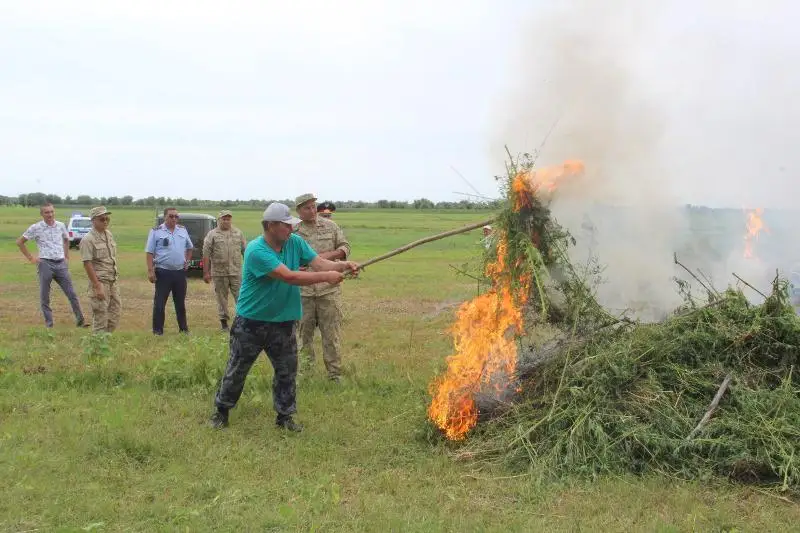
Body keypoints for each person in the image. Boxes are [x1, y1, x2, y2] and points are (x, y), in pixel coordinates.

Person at [209, 202, 359, 432]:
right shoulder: (256, 250)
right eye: (286, 226)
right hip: (252, 322)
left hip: (284, 322)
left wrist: (342, 265)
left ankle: (285, 418)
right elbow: (288, 276)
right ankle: (221, 411)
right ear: (270, 226)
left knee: (287, 371)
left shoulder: (295, 242)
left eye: (291, 225)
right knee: (237, 369)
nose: (291, 229)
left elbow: (318, 263)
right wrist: (326, 276)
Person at [294, 193, 352, 382]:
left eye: (313, 206)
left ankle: (334, 374)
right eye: (306, 208)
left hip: (329, 290)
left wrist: (323, 258)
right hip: (304, 292)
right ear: (299, 211)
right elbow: (283, 258)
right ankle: (306, 374)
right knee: (304, 336)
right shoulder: (293, 232)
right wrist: (296, 265)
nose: (311, 210)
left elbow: (345, 248)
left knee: (331, 334)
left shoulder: (331, 226)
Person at [16, 202, 88, 328]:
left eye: (51, 211)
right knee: (45, 296)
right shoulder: (36, 227)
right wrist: (31, 258)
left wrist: (66, 257)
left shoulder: (60, 226)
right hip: (45, 264)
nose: (50, 214)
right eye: (47, 212)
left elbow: (66, 239)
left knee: (72, 294)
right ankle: (49, 324)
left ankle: (80, 321)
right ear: (42, 214)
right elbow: (20, 242)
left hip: (61, 264)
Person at [145, 207, 193, 335]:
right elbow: (149, 252)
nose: (174, 219)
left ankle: (183, 329)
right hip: (163, 272)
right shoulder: (156, 231)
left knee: (180, 303)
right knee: (160, 303)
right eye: (171, 216)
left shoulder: (182, 231)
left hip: (179, 272)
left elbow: (190, 248)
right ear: (164, 217)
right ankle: (158, 331)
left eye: (176, 216)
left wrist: (187, 261)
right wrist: (150, 271)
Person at [79, 206, 121, 334]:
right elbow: (87, 263)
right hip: (100, 282)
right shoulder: (88, 239)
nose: (105, 221)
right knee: (101, 317)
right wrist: (97, 286)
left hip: (112, 281)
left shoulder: (108, 234)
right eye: (102, 219)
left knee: (115, 314)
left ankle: (106, 343)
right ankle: (98, 347)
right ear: (93, 220)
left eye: (107, 218)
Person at [203, 210, 247, 331]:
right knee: (222, 299)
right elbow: (206, 254)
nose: (226, 221)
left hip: (236, 271)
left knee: (241, 297)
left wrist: (249, 270)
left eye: (228, 219)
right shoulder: (212, 234)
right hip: (219, 272)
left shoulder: (238, 233)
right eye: (224, 219)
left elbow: (246, 252)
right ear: (219, 220)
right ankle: (224, 324)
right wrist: (206, 272)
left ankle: (242, 321)